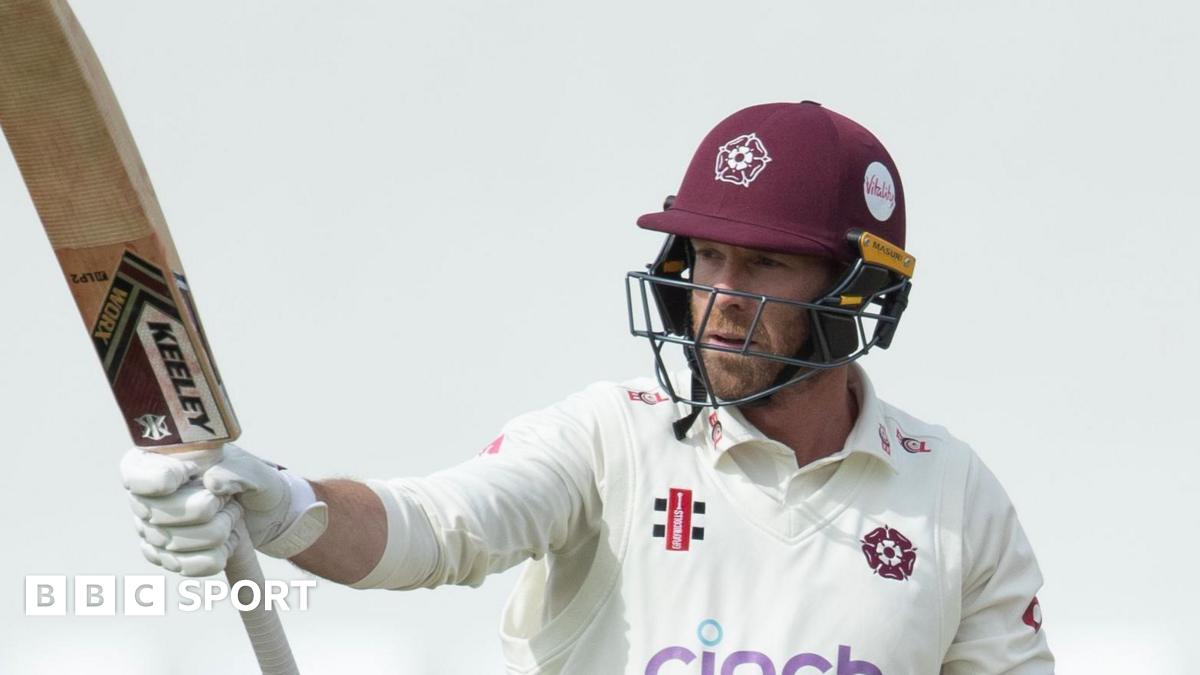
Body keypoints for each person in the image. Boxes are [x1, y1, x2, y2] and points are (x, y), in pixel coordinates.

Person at [123, 101, 1054, 673]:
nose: (719, 298)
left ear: (858, 291)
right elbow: (433, 527)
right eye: (705, 255)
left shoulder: (953, 496)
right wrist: (283, 506)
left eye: (766, 263)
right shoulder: (611, 438)